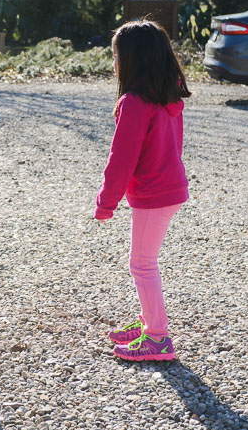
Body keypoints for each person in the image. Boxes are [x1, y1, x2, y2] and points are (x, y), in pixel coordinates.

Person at [94, 20, 192, 362]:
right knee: (144, 262)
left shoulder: (135, 102)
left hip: (156, 193)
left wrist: (106, 202)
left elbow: (121, 158)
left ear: (132, 58)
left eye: (116, 55)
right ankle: (148, 320)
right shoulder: (167, 94)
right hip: (169, 188)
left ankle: (158, 337)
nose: (115, 63)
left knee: (142, 264)